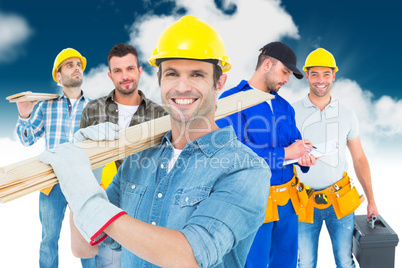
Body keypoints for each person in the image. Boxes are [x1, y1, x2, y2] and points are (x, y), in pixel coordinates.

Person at [39, 15, 271, 267]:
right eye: (171, 74)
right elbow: (84, 247)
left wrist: (95, 207)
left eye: (197, 75)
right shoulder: (138, 158)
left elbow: (189, 257)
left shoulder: (245, 169)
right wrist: (89, 169)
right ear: (160, 80)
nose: (182, 87)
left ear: (219, 83)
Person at [216, 42, 317, 267]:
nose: (286, 80)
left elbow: (295, 143)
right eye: (284, 72)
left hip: (288, 201)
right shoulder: (231, 102)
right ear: (267, 64)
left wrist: (304, 157)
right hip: (254, 202)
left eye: (289, 74)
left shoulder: (284, 106)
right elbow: (236, 154)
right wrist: (284, 153)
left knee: (287, 261)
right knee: (255, 262)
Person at [78, 43, 167, 267]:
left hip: (143, 213)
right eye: (117, 71)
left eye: (129, 68)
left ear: (139, 70)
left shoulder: (160, 114)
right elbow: (82, 161)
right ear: (110, 75)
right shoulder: (93, 110)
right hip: (101, 207)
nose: (124, 76)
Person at [292, 48, 378, 268]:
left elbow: (359, 159)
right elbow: (283, 157)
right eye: (315, 74)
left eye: (326, 74)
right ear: (307, 76)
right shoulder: (292, 113)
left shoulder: (346, 114)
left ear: (334, 75)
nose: (321, 80)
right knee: (305, 263)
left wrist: (371, 201)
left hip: (339, 201)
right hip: (303, 203)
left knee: (344, 261)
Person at [15, 48, 94, 267]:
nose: (76, 67)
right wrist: (24, 114)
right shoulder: (46, 106)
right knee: (49, 240)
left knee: (89, 237)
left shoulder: (94, 106)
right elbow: (27, 139)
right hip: (52, 182)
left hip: (84, 183)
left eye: (78, 64)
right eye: (69, 65)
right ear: (58, 76)